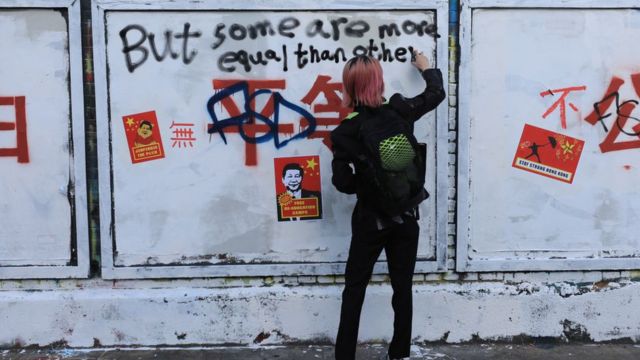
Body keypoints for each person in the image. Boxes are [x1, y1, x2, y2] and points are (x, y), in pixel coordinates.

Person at [331, 51, 445, 360]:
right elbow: (436, 94)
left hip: (370, 220)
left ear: (349, 87)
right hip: (406, 216)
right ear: (379, 82)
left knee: (354, 289)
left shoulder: (343, 133)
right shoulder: (399, 110)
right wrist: (424, 67)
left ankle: (345, 356)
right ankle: (399, 354)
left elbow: (342, 183)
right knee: (402, 289)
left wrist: (366, 181)